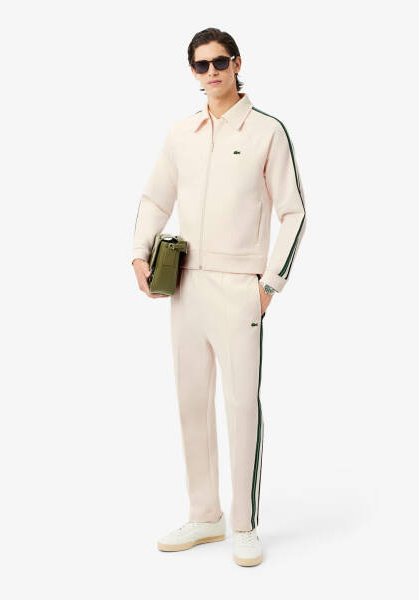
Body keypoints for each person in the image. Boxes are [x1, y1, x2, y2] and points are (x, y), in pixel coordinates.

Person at [131, 27, 306, 567]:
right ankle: (205, 515)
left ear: (237, 64)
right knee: (191, 402)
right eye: (202, 65)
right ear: (193, 71)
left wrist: (270, 284)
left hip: (239, 288)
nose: (212, 72)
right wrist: (139, 254)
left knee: (240, 406)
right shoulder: (181, 133)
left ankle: (244, 524)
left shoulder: (266, 131)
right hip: (186, 285)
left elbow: (293, 211)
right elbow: (155, 197)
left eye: (220, 62)